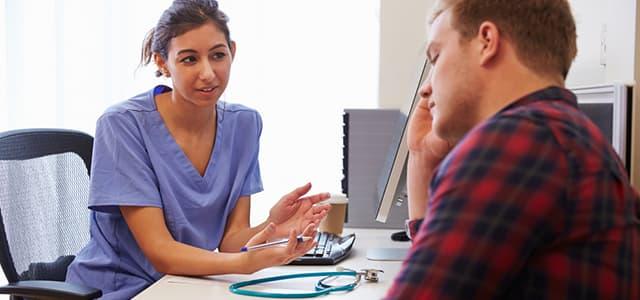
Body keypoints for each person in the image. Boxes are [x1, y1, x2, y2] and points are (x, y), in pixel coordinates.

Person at [65, 0, 330, 298]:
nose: (208, 73)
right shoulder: (123, 125)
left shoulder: (244, 124)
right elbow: (161, 252)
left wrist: (273, 225)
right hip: (122, 289)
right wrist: (245, 263)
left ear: (233, 51)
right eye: (189, 59)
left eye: (218, 55)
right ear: (163, 63)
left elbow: (231, 241)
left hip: (189, 285)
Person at [386, 0, 640, 299]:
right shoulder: (569, 138)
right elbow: (443, 275)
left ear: (486, 42)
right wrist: (421, 158)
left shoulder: (516, 142)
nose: (425, 88)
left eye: (436, 56)